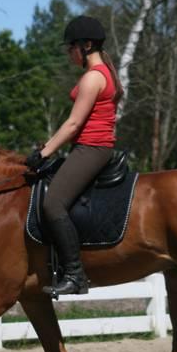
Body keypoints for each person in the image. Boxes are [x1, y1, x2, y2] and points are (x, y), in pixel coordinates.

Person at [26, 15, 124, 296]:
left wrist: (43, 153)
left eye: (71, 47)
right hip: (91, 147)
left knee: (53, 204)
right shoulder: (104, 73)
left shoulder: (94, 76)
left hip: (92, 148)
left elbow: (73, 124)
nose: (69, 52)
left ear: (87, 45)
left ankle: (75, 275)